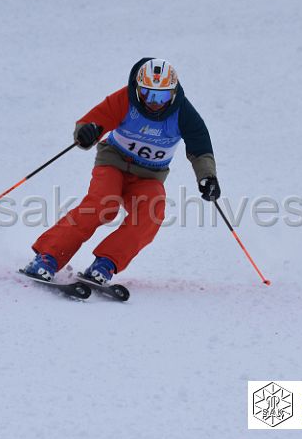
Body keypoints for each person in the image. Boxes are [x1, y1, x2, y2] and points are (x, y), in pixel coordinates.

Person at [23, 58, 220, 284]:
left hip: (148, 176)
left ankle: (105, 264)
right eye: (147, 94)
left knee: (152, 213)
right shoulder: (125, 99)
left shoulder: (183, 113)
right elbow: (94, 120)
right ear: (138, 89)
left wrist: (207, 177)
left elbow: (200, 147)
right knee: (102, 205)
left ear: (173, 93)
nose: (154, 103)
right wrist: (87, 132)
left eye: (162, 97)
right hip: (113, 163)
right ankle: (48, 256)